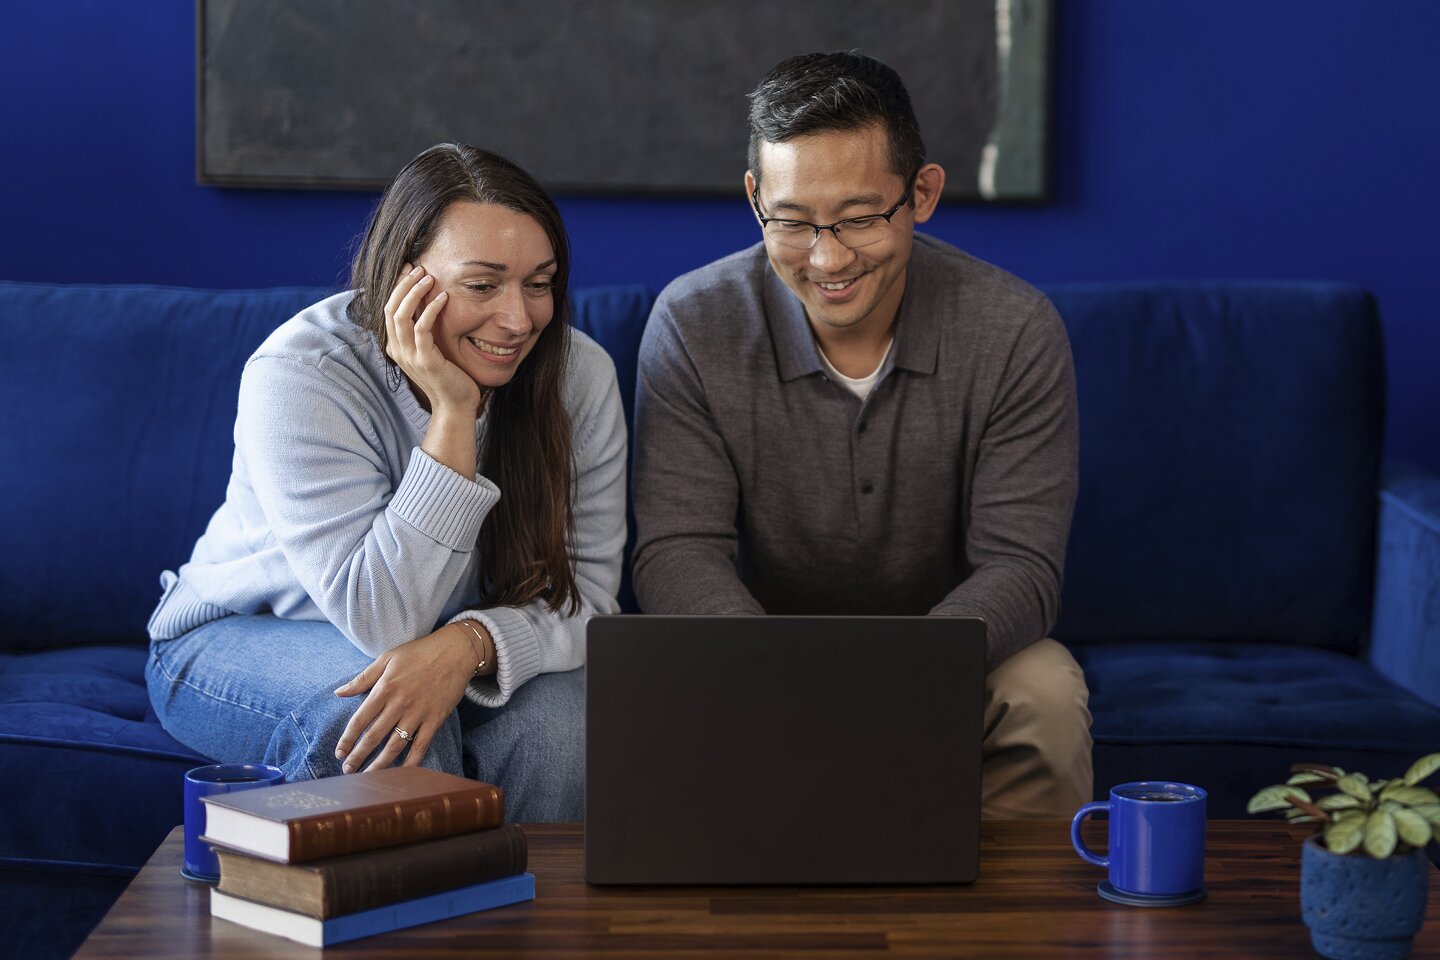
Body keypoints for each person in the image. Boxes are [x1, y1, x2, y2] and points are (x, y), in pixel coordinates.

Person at [632, 52, 1092, 818]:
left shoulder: (1015, 331)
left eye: (859, 217)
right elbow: (675, 550)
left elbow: (1022, 565)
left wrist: (896, 675)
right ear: (755, 199)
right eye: (794, 221)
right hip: (754, 655)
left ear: (922, 193)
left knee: (1044, 686)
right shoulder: (691, 323)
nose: (828, 257)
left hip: (955, 657)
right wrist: (781, 673)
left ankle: (1021, 926)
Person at [146, 144, 626, 821]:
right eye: (483, 285)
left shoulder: (581, 376)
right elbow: (385, 619)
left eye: (539, 282)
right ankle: (412, 927)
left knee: (559, 730)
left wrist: (468, 646)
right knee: (385, 721)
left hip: (444, 641)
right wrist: (454, 412)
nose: (519, 320)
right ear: (405, 282)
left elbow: (591, 600)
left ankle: (533, 926)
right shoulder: (301, 374)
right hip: (241, 633)